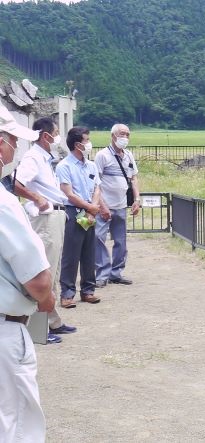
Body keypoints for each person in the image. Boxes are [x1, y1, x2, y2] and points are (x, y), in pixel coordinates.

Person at [0, 103, 55, 442]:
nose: (15, 148)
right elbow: (37, 279)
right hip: (5, 329)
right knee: (18, 421)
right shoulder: (3, 204)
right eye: (11, 140)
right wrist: (47, 299)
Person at [14, 117, 77, 343]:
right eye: (55, 133)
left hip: (56, 214)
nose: (57, 137)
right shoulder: (33, 157)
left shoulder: (45, 157)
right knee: (44, 271)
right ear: (45, 135)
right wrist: (37, 198)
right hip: (45, 217)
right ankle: (40, 329)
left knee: (55, 270)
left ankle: (53, 321)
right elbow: (17, 183)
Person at [55, 126, 102, 308]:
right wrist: (89, 207)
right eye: (86, 140)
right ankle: (67, 293)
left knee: (89, 252)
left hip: (90, 212)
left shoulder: (91, 165)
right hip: (74, 212)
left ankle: (88, 290)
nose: (89, 143)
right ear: (77, 144)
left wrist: (92, 208)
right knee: (71, 254)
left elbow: (97, 187)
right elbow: (69, 193)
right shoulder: (64, 166)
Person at [94, 123, 140, 287]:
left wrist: (137, 199)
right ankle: (101, 274)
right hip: (105, 206)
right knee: (99, 239)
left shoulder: (128, 155)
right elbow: (95, 183)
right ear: (113, 135)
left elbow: (133, 178)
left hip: (121, 205)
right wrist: (101, 205)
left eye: (127, 134)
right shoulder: (102, 156)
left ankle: (116, 273)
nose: (125, 137)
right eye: (122, 134)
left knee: (121, 241)